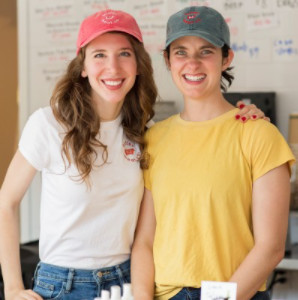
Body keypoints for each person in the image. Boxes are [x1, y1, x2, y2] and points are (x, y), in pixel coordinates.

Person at [0, 8, 267, 300]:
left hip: (128, 283)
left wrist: (246, 116)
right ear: (83, 67)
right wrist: (13, 287)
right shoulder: (49, 125)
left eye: (124, 54)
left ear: (138, 64)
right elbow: (7, 203)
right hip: (64, 285)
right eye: (99, 55)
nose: (113, 68)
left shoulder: (144, 132)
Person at [131, 6, 295, 300]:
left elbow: (270, 247)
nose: (192, 63)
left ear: (226, 58)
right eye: (180, 52)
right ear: (168, 60)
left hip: (234, 294)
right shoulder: (153, 139)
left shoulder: (258, 134)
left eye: (205, 51)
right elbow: (144, 240)